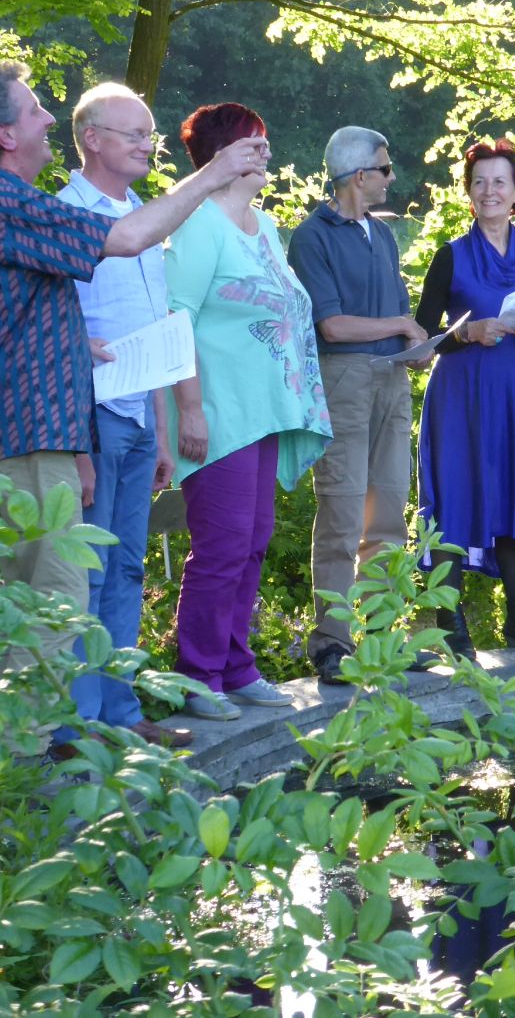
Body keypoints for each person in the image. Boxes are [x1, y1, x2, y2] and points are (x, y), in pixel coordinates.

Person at [0, 63, 268, 755]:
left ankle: (83, 733)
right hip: (26, 439)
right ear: (4, 134)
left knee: (71, 590)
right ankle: (35, 763)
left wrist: (74, 345)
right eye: (35, 110)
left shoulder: (12, 205)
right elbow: (125, 239)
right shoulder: (3, 202)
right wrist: (213, 174)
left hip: (49, 433)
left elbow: (20, 320)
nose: (48, 120)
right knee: (53, 601)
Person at [165, 103, 332, 720]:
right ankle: (197, 675)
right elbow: (177, 316)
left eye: (265, 141)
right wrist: (189, 408)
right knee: (222, 546)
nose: (265, 152)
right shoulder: (197, 224)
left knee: (253, 542)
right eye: (252, 143)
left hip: (263, 414)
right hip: (217, 413)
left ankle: (235, 666)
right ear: (222, 155)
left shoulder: (264, 226)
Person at [55, 82, 190, 748]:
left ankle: (122, 712)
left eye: (149, 134)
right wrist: (77, 443)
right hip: (94, 417)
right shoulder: (64, 215)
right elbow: (57, 335)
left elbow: (153, 329)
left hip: (140, 418)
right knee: (86, 570)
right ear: (92, 139)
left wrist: (162, 431)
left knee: (129, 567)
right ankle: (78, 725)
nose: (147, 145)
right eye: (134, 134)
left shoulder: (141, 215)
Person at [287, 126, 430, 684]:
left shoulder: (383, 233)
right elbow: (332, 325)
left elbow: (397, 316)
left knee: (388, 512)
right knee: (343, 515)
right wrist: (401, 325)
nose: (392, 177)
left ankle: (385, 640)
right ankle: (332, 644)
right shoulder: (311, 237)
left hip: (392, 378)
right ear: (360, 175)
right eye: (385, 168)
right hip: (343, 380)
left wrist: (415, 346)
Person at [415, 138, 515, 659]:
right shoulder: (449, 256)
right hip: (461, 398)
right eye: (479, 182)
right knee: (455, 496)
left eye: (500, 182)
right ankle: (449, 625)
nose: (489, 191)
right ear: (469, 192)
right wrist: (466, 332)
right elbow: (421, 338)